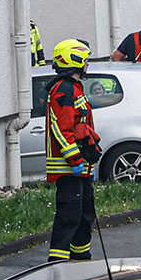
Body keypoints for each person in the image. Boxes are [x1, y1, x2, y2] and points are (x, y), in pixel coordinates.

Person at [45, 39, 101, 262]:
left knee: (86, 214)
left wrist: (86, 163)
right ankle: (58, 262)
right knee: (69, 216)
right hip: (68, 167)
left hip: (80, 166)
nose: (87, 64)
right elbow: (61, 128)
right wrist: (75, 160)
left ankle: (81, 256)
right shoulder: (64, 89)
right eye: (85, 60)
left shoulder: (75, 87)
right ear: (74, 60)